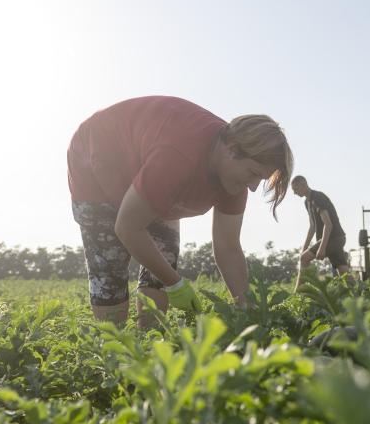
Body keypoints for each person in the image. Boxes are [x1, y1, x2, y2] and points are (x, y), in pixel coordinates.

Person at [67, 96, 293, 326]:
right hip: (99, 159)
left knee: (163, 258)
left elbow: (228, 247)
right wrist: (176, 284)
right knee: (110, 266)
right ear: (232, 149)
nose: (253, 187)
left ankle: (149, 343)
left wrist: (247, 308)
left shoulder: (234, 180)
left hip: (152, 173)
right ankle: (111, 350)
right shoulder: (179, 156)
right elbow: (127, 227)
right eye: (254, 173)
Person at [290, 176, 348, 292]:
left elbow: (328, 225)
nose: (295, 193)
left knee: (304, 258)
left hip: (334, 238)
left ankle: (298, 295)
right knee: (343, 271)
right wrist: (304, 247)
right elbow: (312, 227)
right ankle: (362, 296)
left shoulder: (318, 198)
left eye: (296, 189)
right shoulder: (307, 202)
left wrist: (322, 248)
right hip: (336, 239)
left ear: (304, 184)